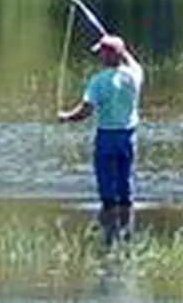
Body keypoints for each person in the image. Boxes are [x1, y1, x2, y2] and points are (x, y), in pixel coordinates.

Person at [57, 33, 143, 244]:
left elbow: (85, 111)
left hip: (106, 136)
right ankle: (125, 227)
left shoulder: (98, 81)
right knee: (125, 184)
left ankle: (109, 229)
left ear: (107, 56)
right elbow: (134, 63)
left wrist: (66, 117)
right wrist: (124, 52)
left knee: (106, 187)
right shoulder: (135, 75)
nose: (99, 56)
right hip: (128, 136)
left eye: (102, 52)